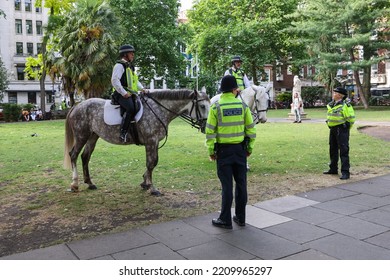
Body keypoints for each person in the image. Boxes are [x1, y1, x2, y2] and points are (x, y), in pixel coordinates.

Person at [206, 75, 256, 229]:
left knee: (227, 186)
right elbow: (251, 130)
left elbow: (209, 132)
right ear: (234, 90)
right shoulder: (243, 107)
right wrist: (249, 148)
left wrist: (211, 150)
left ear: (223, 90)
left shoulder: (216, 107)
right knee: (241, 185)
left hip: (223, 151)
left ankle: (225, 220)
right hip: (240, 151)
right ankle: (241, 218)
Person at [111, 44, 147, 142]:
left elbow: (135, 81)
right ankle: (123, 133)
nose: (133, 55)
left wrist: (142, 89)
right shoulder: (119, 65)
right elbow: (115, 80)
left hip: (130, 94)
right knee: (131, 108)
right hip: (120, 94)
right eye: (131, 54)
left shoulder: (130, 67)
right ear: (125, 54)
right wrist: (123, 93)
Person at [323, 87, 355, 180]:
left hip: (342, 129)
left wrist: (346, 127)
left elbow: (351, 118)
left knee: (343, 150)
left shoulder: (346, 105)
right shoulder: (331, 104)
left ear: (340, 95)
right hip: (333, 129)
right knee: (333, 149)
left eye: (335, 93)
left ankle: (345, 172)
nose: (333, 94)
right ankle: (333, 168)